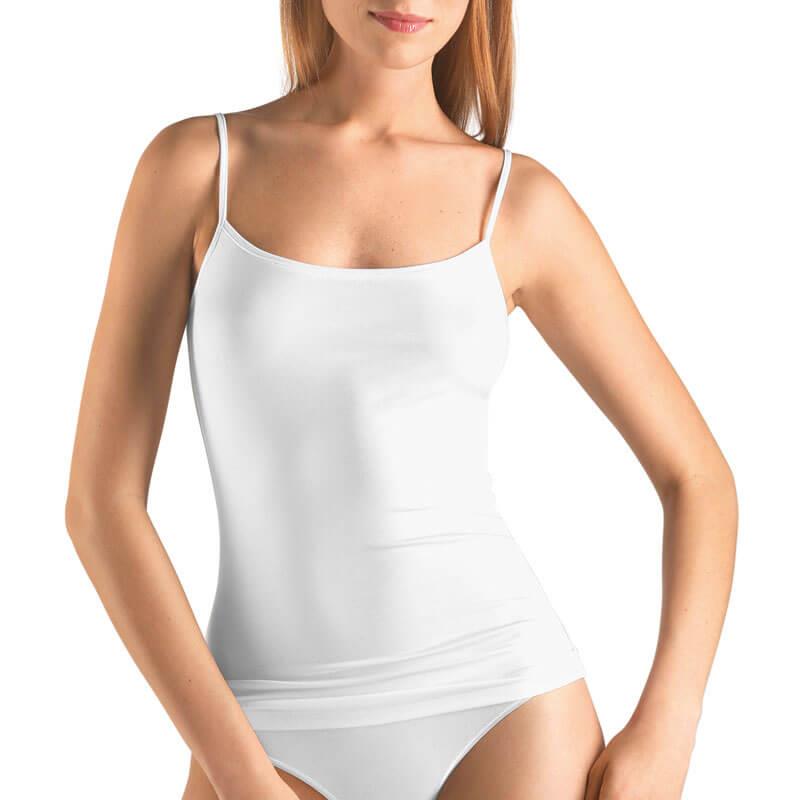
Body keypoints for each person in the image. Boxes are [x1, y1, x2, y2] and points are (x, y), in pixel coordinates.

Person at [65, 2, 738, 799]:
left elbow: (697, 477)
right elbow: (101, 506)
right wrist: (238, 772)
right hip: (260, 722)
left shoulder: (517, 203)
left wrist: (670, 727)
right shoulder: (198, 169)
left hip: (501, 708)